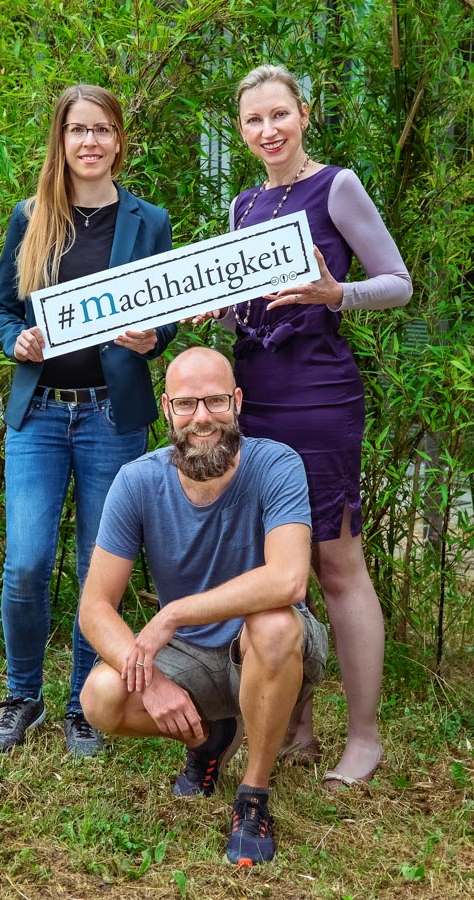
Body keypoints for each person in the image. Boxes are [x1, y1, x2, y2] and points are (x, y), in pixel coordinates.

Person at [213, 64, 413, 788]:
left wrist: (338, 293)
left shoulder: (337, 187)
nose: (267, 131)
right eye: (251, 121)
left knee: (335, 564)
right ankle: (291, 723)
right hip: (253, 395)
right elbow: (254, 302)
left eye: (278, 115)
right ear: (240, 131)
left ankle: (362, 738)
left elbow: (397, 282)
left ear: (303, 113)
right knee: (272, 568)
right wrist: (221, 308)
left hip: (318, 397)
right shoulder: (241, 205)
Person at [0, 84, 176, 758]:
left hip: (112, 418)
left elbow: (167, 311)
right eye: (76, 130)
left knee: (102, 571)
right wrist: (17, 341)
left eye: (101, 130)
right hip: (39, 415)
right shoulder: (30, 215)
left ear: (120, 140)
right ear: (59, 140)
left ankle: (81, 709)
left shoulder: (149, 221)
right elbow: (2, 309)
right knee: (27, 563)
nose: (89, 142)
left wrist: (155, 337)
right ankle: (22, 698)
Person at [79, 347, 328, 866]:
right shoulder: (138, 480)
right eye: (188, 404)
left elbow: (289, 579)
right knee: (101, 696)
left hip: (267, 648)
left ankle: (253, 795)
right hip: (191, 657)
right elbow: (95, 608)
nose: (202, 418)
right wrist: (153, 683)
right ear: (167, 408)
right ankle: (214, 735)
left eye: (215, 401)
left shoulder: (277, 463)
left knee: (276, 625)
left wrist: (173, 613)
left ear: (236, 402)